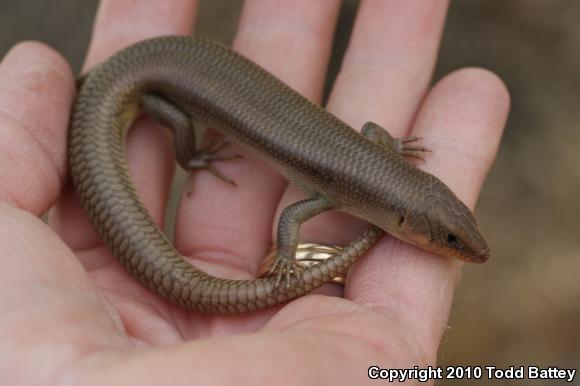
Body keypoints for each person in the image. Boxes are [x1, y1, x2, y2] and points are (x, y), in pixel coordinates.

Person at [0, 1, 508, 384]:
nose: (459, 250)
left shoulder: (364, 180)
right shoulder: (347, 191)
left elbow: (373, 133)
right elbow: (294, 216)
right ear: (403, 220)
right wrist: (283, 254)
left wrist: (391, 146)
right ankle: (191, 152)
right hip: (148, 87)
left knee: (155, 105)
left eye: (453, 237)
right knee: (177, 119)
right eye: (448, 239)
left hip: (165, 69)